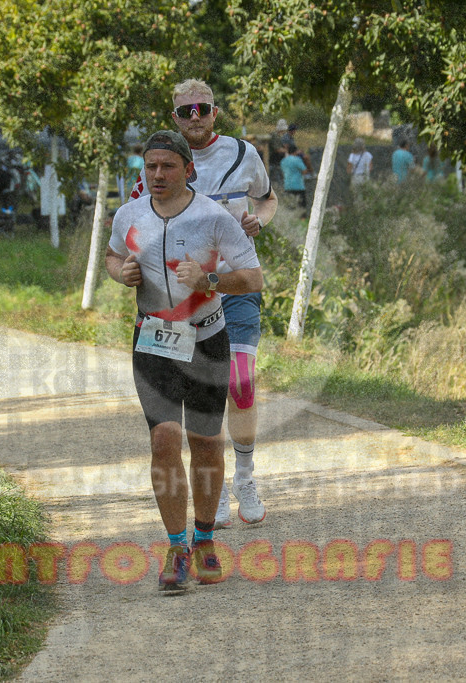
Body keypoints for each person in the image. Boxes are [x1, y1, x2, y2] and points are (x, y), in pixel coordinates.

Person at [106, 130, 264, 593]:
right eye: (150, 166)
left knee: (206, 443)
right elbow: (114, 256)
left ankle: (205, 539)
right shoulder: (129, 215)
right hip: (152, 340)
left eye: (167, 166)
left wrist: (210, 278)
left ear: (187, 170)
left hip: (206, 339)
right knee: (163, 441)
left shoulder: (214, 219)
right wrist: (123, 273)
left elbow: (253, 278)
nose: (157, 174)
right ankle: (176, 549)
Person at [129, 78, 278, 530]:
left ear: (215, 112)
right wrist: (132, 268)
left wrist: (258, 220)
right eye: (187, 110)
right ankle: (205, 501)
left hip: (232, 285)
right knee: (190, 402)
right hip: (182, 300)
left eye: (204, 108)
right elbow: (136, 222)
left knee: (242, 382)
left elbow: (267, 200)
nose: (196, 116)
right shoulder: (162, 163)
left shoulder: (242, 154)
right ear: (174, 116)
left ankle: (246, 477)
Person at [281, 143, 309, 213]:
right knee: (301, 207)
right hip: (298, 186)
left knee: (290, 207)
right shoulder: (297, 160)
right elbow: (305, 171)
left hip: (287, 186)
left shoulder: (283, 161)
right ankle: (303, 221)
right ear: (296, 151)